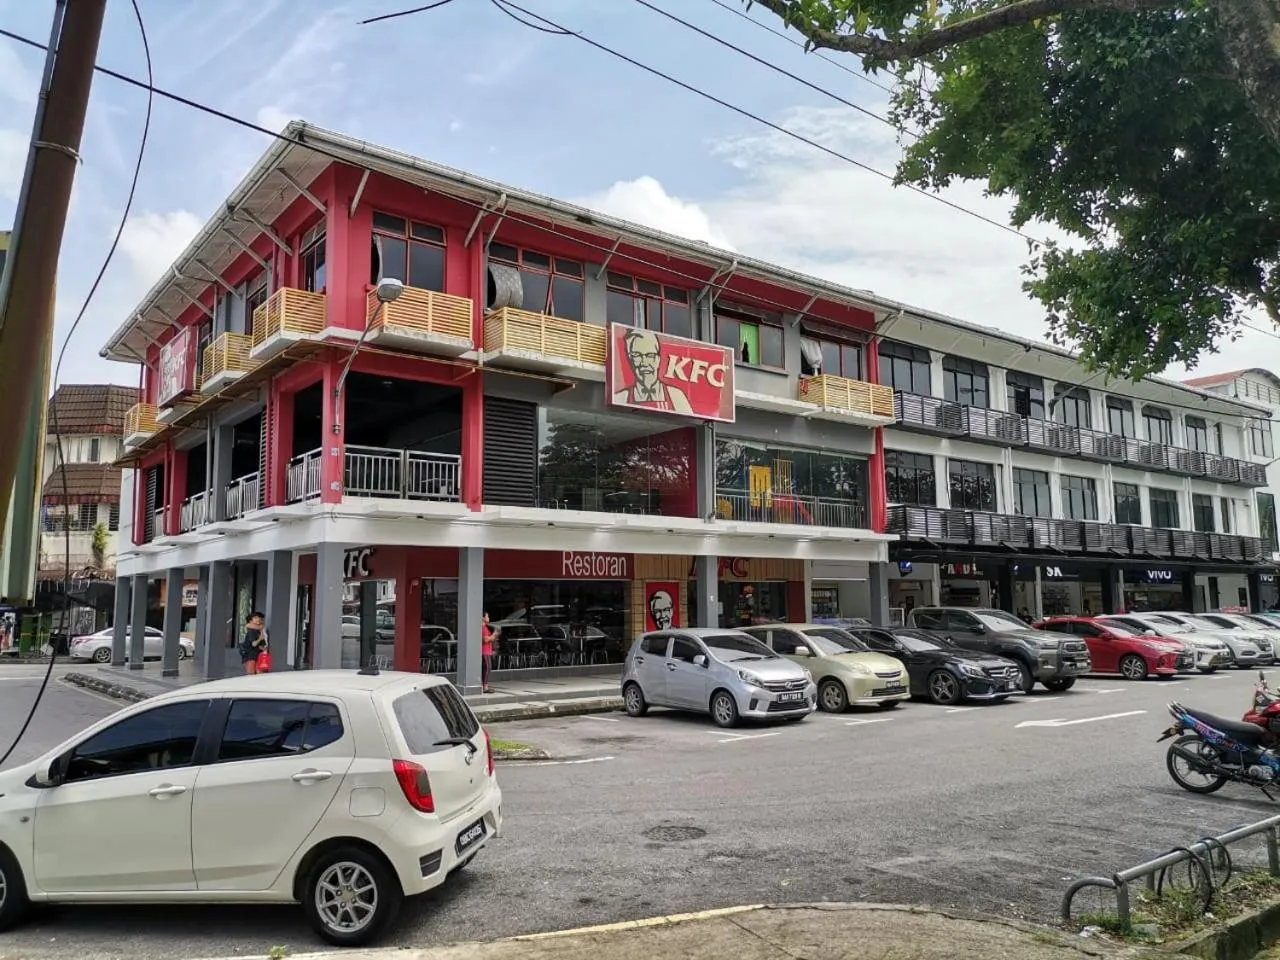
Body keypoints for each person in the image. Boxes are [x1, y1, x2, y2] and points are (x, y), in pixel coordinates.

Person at [611, 328, 693, 413]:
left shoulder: (676, 396)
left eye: (650, 355)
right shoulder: (621, 397)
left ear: (658, 360)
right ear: (630, 360)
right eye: (637, 355)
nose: (644, 363)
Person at [481, 612, 495, 694]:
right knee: (487, 668)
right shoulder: (483, 627)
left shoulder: (485, 627)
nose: (489, 618)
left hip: (487, 651)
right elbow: (485, 639)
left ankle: (485, 685)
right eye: (487, 616)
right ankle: (485, 686)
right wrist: (494, 635)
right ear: (482, 618)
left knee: (487, 668)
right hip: (484, 651)